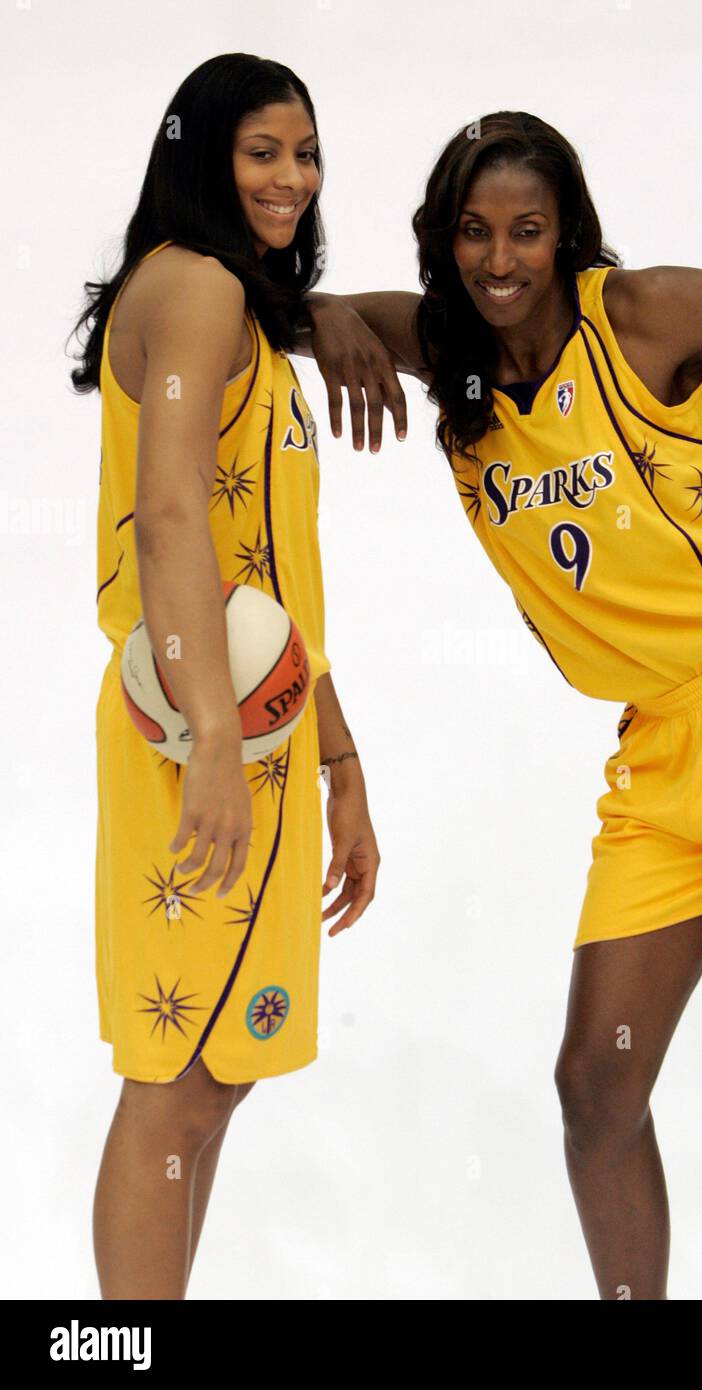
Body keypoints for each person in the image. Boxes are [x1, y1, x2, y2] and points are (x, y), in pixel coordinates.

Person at [298, 110, 702, 1300]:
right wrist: (335, 313)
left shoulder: (641, 316)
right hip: (661, 749)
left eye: (527, 232)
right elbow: (269, 309)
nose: (500, 260)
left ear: (567, 233)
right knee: (597, 1089)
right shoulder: (448, 346)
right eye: (474, 232)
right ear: (443, 239)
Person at [68, 54, 381, 1300]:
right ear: (202, 155)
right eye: (263, 151)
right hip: (198, 728)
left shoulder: (230, 301)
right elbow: (169, 522)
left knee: (211, 1078)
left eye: (306, 151)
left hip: (252, 721)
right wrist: (210, 736)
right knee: (175, 1085)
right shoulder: (194, 289)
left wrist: (340, 762)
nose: (294, 177)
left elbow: (271, 577)